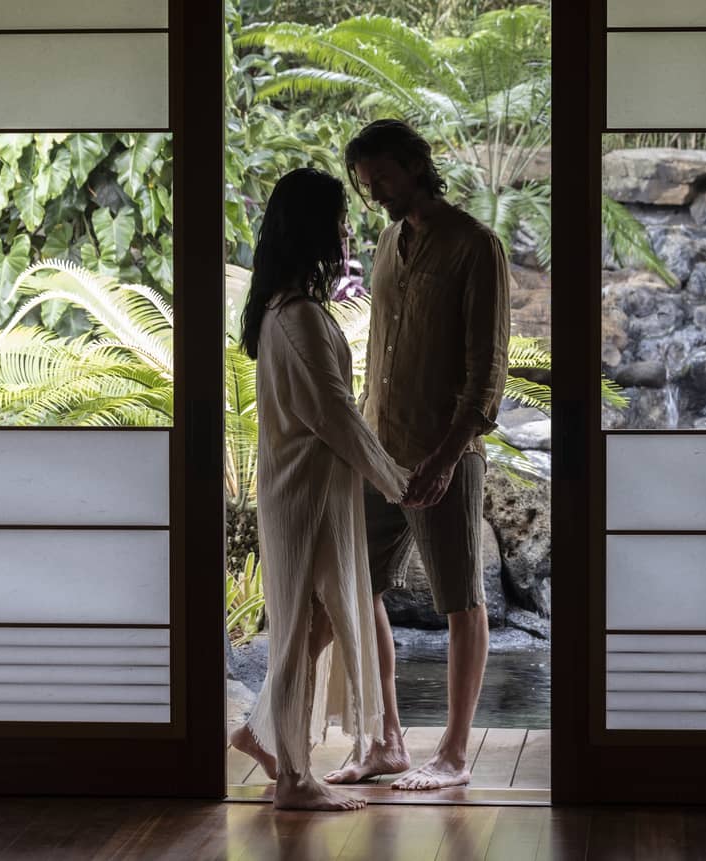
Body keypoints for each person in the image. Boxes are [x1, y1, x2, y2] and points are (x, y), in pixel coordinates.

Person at [323, 119, 511, 791]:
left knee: (460, 598)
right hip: (378, 449)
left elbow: (488, 371)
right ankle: (389, 741)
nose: (374, 193)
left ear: (415, 165)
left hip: (443, 454)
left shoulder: (475, 246)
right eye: (365, 183)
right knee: (357, 585)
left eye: (383, 178)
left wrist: (447, 456)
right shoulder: (386, 243)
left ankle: (454, 754)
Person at [227, 168, 413, 811]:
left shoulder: (284, 310)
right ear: (312, 229)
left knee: (319, 622)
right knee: (306, 626)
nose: (345, 232)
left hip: (311, 488)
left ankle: (263, 736)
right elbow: (335, 416)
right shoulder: (298, 317)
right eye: (337, 220)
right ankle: (293, 779)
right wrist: (397, 481)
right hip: (305, 493)